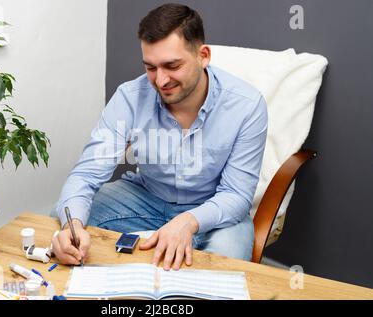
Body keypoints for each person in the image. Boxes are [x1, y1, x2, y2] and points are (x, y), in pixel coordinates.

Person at [51, 3, 268, 270]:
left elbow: (236, 194)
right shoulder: (129, 98)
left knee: (226, 264)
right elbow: (86, 175)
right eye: (151, 67)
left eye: (172, 65)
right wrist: (72, 227)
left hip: (211, 207)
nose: (161, 80)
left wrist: (187, 221)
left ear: (203, 56)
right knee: (61, 223)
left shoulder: (247, 105)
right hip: (145, 196)